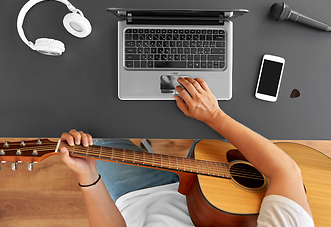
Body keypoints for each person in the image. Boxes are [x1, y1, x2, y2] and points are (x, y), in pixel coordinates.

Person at [60, 77, 314, 227]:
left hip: (141, 199)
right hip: (219, 189)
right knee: (216, 91)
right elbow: (286, 171)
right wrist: (214, 116)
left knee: (82, 120)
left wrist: (89, 177)